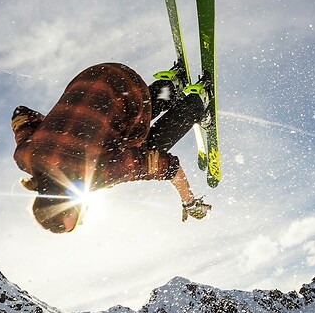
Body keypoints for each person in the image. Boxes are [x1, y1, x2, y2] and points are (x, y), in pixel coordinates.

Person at [11, 62, 212, 233]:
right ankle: (171, 87)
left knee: (145, 148)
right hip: (96, 75)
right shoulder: (25, 157)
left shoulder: (94, 175)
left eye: (76, 219)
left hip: (132, 89)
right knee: (114, 125)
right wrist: (61, 130)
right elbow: (20, 114)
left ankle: (196, 104)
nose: (82, 221)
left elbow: (164, 166)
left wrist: (189, 202)